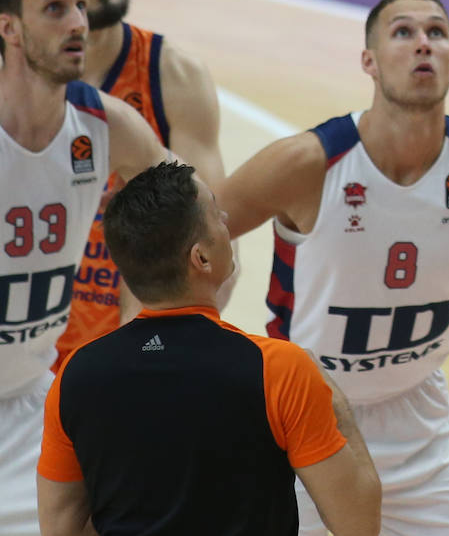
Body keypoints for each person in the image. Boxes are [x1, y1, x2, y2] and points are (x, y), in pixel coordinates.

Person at [221, 0, 449, 536]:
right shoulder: (307, 164)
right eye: (403, 32)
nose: (423, 45)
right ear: (369, 61)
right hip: (307, 412)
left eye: (437, 33)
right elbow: (194, 243)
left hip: (419, 420)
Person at [36, 161, 380, 536]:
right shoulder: (281, 370)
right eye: (217, 215)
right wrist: (336, 402)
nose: (227, 219)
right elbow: (358, 524)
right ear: (200, 258)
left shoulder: (76, 375)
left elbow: (59, 528)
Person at [0, 0, 169, 536]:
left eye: (79, 4)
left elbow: (194, 225)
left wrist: (142, 340)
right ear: (9, 27)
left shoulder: (102, 124)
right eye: (54, 7)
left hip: (28, 404)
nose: (77, 22)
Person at [33, 0, 228, 367]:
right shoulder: (14, 77)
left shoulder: (171, 74)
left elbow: (209, 239)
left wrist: (142, 357)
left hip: (121, 348)